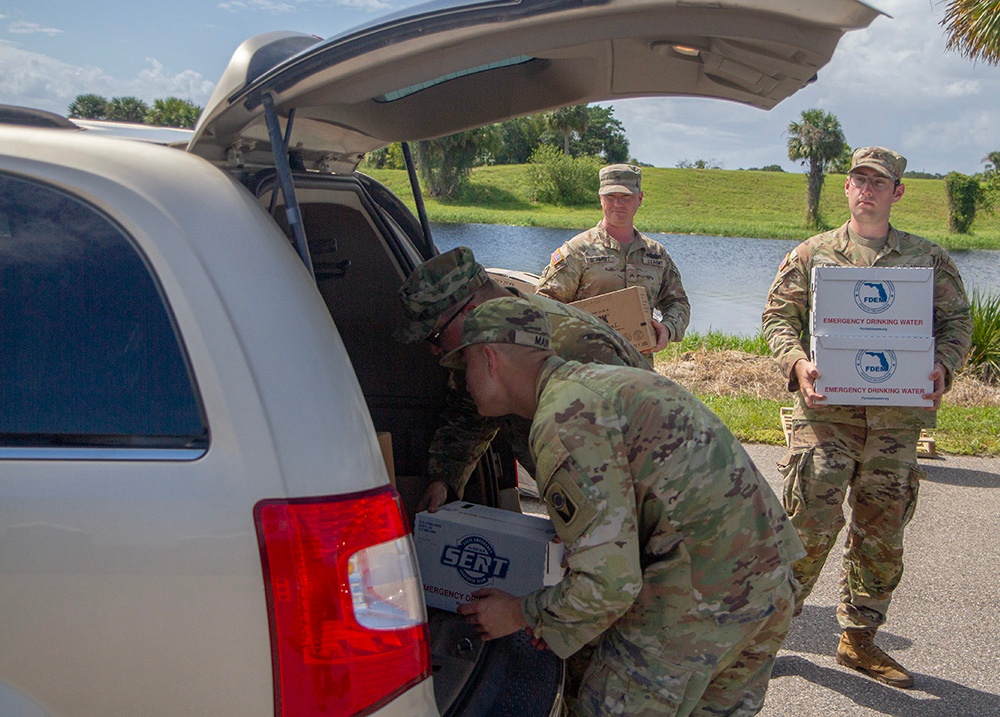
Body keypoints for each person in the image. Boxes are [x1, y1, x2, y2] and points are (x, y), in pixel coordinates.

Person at [447, 296, 804, 717]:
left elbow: (609, 585)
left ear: (490, 359)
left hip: (698, 604)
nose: (463, 383)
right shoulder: (601, 384)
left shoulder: (562, 420)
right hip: (765, 588)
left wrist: (518, 613)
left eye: (464, 366)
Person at [762, 146, 973, 689]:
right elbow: (777, 317)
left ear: (897, 192)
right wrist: (798, 362)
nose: (867, 190)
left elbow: (957, 324)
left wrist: (942, 367)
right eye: (859, 180)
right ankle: (762, 637)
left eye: (879, 182)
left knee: (881, 535)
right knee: (805, 525)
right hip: (826, 415)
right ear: (847, 188)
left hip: (896, 422)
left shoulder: (927, 261)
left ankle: (858, 641)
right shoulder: (813, 255)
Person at [396, 246, 653, 513]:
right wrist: (444, 481)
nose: (434, 350)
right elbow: (469, 416)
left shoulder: (576, 347)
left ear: (470, 312)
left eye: (434, 337)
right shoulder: (476, 347)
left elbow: (643, 461)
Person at [534, 163, 689, 352]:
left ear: (639, 198)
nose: (618, 204)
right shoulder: (577, 250)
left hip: (638, 368)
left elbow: (677, 302)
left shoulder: (656, 254)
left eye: (626, 196)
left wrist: (668, 329)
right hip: (586, 367)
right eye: (610, 197)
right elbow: (543, 304)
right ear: (600, 199)